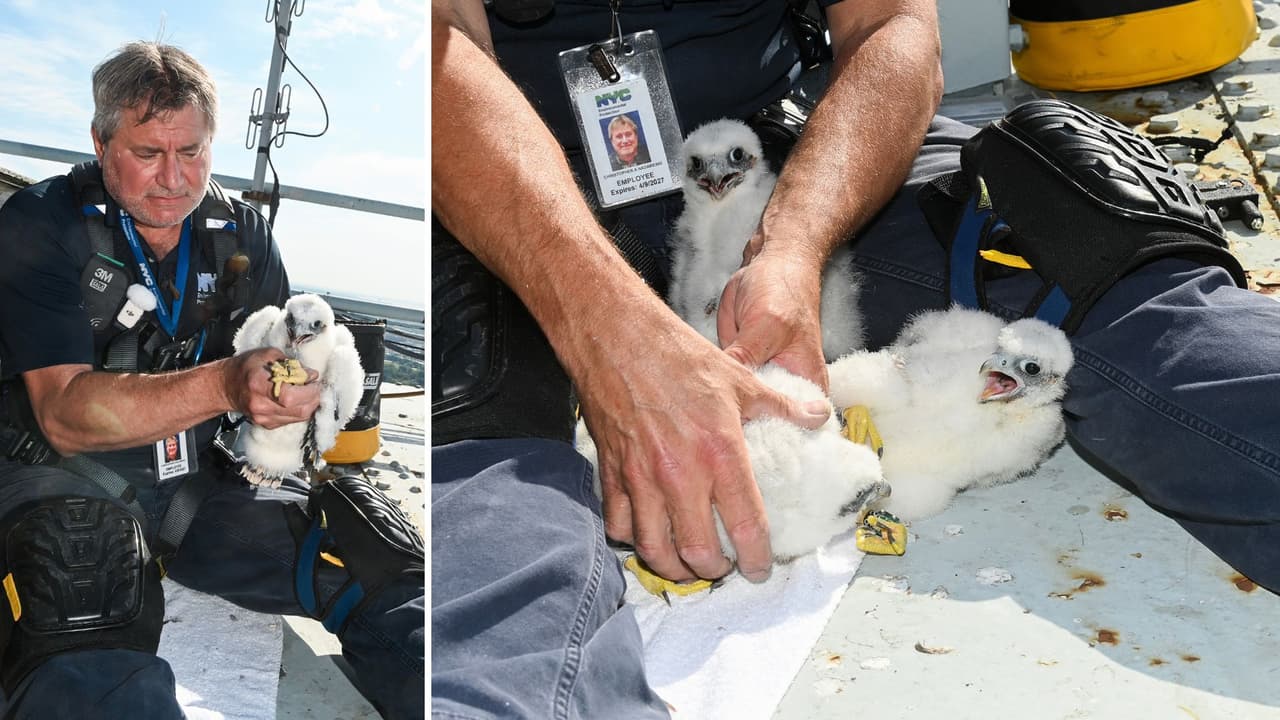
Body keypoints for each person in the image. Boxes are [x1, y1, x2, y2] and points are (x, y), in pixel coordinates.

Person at [433, 0, 1280, 715]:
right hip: (509, 192)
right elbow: (439, 47)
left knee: (1108, 287)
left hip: (795, 148)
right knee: (491, 535)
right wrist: (609, 339)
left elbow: (890, 25)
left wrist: (794, 249)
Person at [0, 41, 423, 719]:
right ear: (101, 143)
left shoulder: (243, 235)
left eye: (192, 152)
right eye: (147, 153)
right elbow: (64, 417)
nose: (174, 178)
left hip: (192, 488)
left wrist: (291, 393)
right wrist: (229, 384)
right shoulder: (35, 227)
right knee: (84, 603)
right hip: (52, 479)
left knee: (372, 554)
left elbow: (273, 376)